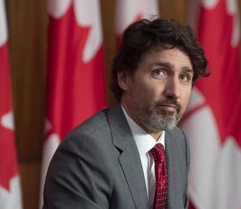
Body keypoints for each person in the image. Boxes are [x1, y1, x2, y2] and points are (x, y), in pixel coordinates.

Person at [42, 18, 209, 209]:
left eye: (184, 77)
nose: (175, 91)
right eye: (160, 72)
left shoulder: (176, 140)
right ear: (124, 78)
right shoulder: (86, 151)